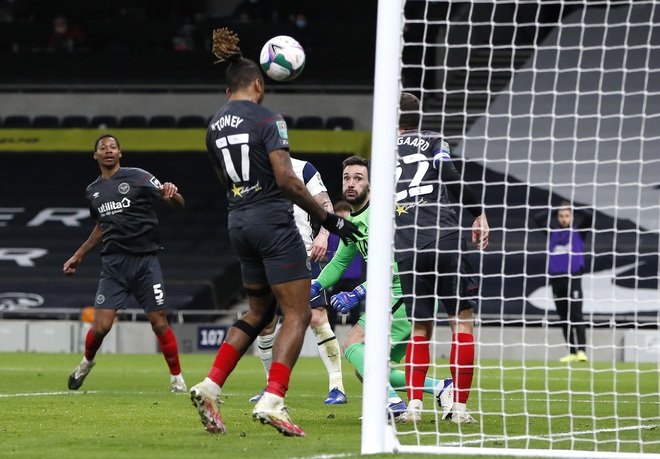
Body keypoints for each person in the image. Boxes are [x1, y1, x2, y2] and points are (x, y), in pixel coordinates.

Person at [189, 28, 360, 438]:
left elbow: (223, 179)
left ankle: (210, 385)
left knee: (258, 312)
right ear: (259, 84)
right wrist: (330, 219)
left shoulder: (212, 126)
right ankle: (274, 399)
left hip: (238, 223)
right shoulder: (268, 118)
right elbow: (287, 179)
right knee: (298, 312)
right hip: (272, 222)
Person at [310, 155, 454, 421]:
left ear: (371, 185)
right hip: (390, 294)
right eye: (346, 178)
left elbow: (399, 262)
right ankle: (441, 388)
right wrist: (315, 285)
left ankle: (392, 403)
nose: (351, 184)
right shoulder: (354, 221)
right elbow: (340, 262)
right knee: (366, 368)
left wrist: (358, 292)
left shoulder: (385, 214)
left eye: (358, 178)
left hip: (406, 291)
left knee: (353, 343)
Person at [64, 134, 187, 393]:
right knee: (101, 327)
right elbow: (101, 227)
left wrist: (172, 194)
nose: (108, 151)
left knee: (159, 322)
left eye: (113, 147)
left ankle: (177, 378)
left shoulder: (139, 176)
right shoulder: (93, 191)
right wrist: (79, 254)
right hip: (114, 264)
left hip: (145, 262)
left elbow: (177, 203)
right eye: (103, 148)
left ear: (120, 153)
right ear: (95, 156)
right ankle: (86, 363)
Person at [394, 92, 489, 425]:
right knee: (460, 321)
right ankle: (460, 408)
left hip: (406, 243)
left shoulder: (382, 153)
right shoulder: (434, 139)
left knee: (419, 327)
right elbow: (447, 173)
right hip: (444, 234)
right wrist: (477, 212)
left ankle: (414, 405)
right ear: (419, 118)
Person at [248, 157, 347, 405]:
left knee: (316, 316)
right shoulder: (253, 170)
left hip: (301, 252)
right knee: (266, 323)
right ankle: (271, 386)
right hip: (264, 256)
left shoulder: (304, 169)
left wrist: (324, 235)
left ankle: (337, 386)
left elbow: (326, 205)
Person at [533, 201, 592, 363]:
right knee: (563, 317)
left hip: (573, 279)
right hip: (556, 280)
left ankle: (581, 351)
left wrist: (572, 207)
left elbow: (589, 215)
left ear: (571, 217)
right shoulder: (553, 233)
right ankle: (571, 351)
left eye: (567, 216)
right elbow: (537, 218)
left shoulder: (578, 232)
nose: (564, 219)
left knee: (576, 315)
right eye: (561, 216)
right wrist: (554, 210)